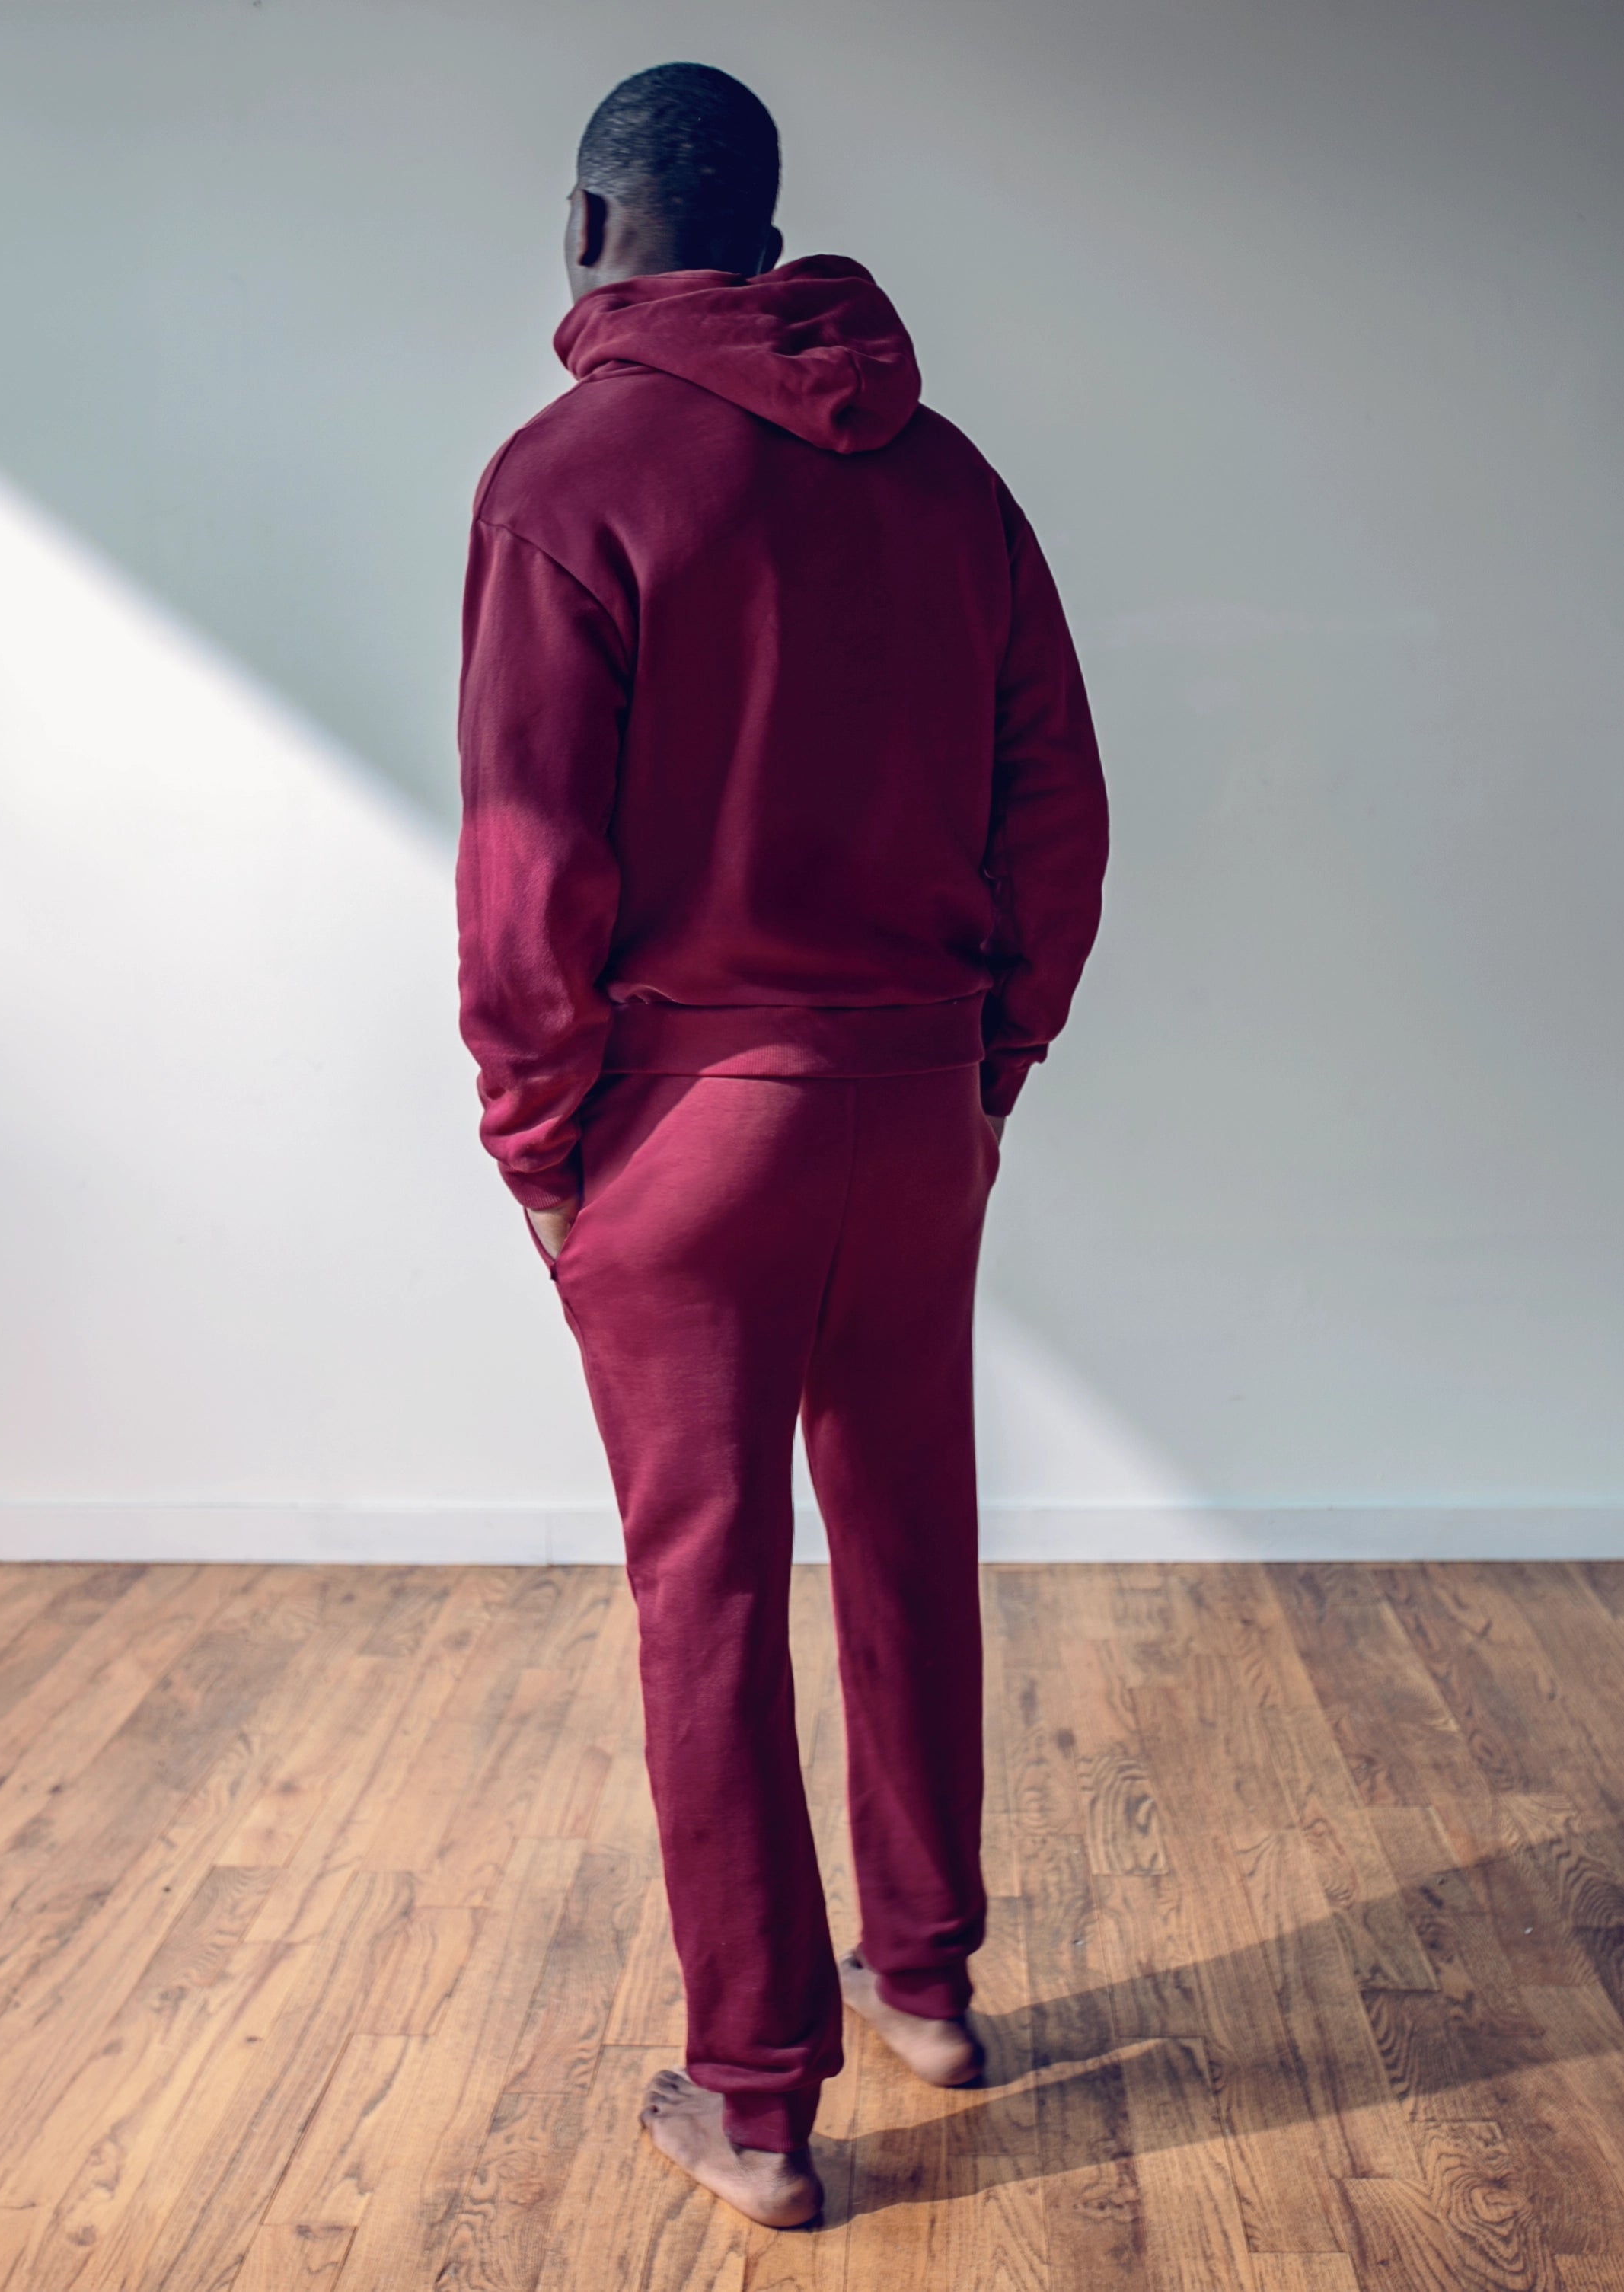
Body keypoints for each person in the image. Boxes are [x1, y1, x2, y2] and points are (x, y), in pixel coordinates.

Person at [455, 60, 1107, 2230]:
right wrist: (991, 1054)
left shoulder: (565, 481)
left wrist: (538, 1142)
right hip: (911, 1105)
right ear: (764, 228)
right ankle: (926, 1981)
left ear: (590, 228)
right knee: (911, 1531)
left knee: (708, 1596)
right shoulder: (951, 478)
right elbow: (1057, 801)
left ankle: (754, 2101)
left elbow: (527, 858)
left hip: (687, 1130)